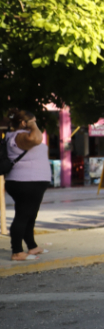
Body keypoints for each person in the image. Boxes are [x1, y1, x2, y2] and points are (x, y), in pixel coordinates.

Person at [5, 110, 50, 261]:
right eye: (33, 121)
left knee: (30, 215)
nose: (35, 124)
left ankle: (32, 246)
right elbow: (37, 139)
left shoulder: (18, 136)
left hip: (31, 181)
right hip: (25, 182)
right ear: (24, 123)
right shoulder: (21, 136)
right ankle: (17, 251)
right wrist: (32, 125)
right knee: (23, 216)